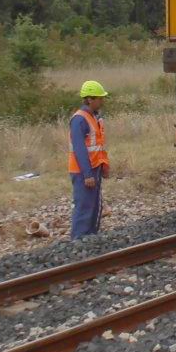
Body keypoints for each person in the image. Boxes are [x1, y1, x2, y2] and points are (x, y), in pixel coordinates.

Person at [69, 81, 110, 240]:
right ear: (89, 99)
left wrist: (104, 165)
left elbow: (98, 145)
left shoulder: (95, 117)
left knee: (94, 207)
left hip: (95, 168)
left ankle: (91, 239)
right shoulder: (79, 119)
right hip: (83, 171)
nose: (102, 101)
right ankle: (79, 241)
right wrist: (87, 174)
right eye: (99, 98)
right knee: (84, 207)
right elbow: (79, 149)